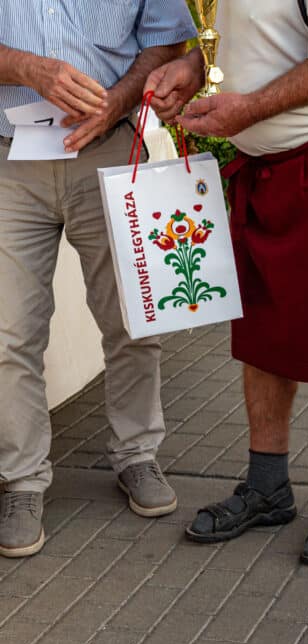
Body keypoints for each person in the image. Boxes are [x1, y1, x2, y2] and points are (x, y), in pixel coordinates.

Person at [144, 1, 308, 564]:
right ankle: (267, 486)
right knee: (263, 326)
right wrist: (194, 66)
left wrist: (248, 109)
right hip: (267, 164)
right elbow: (259, 37)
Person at [0, 1, 195, 558]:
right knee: (8, 333)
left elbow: (168, 40)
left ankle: (137, 453)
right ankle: (21, 480)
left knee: (131, 317)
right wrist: (25, 67)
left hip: (111, 150)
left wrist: (116, 103)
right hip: (8, 159)